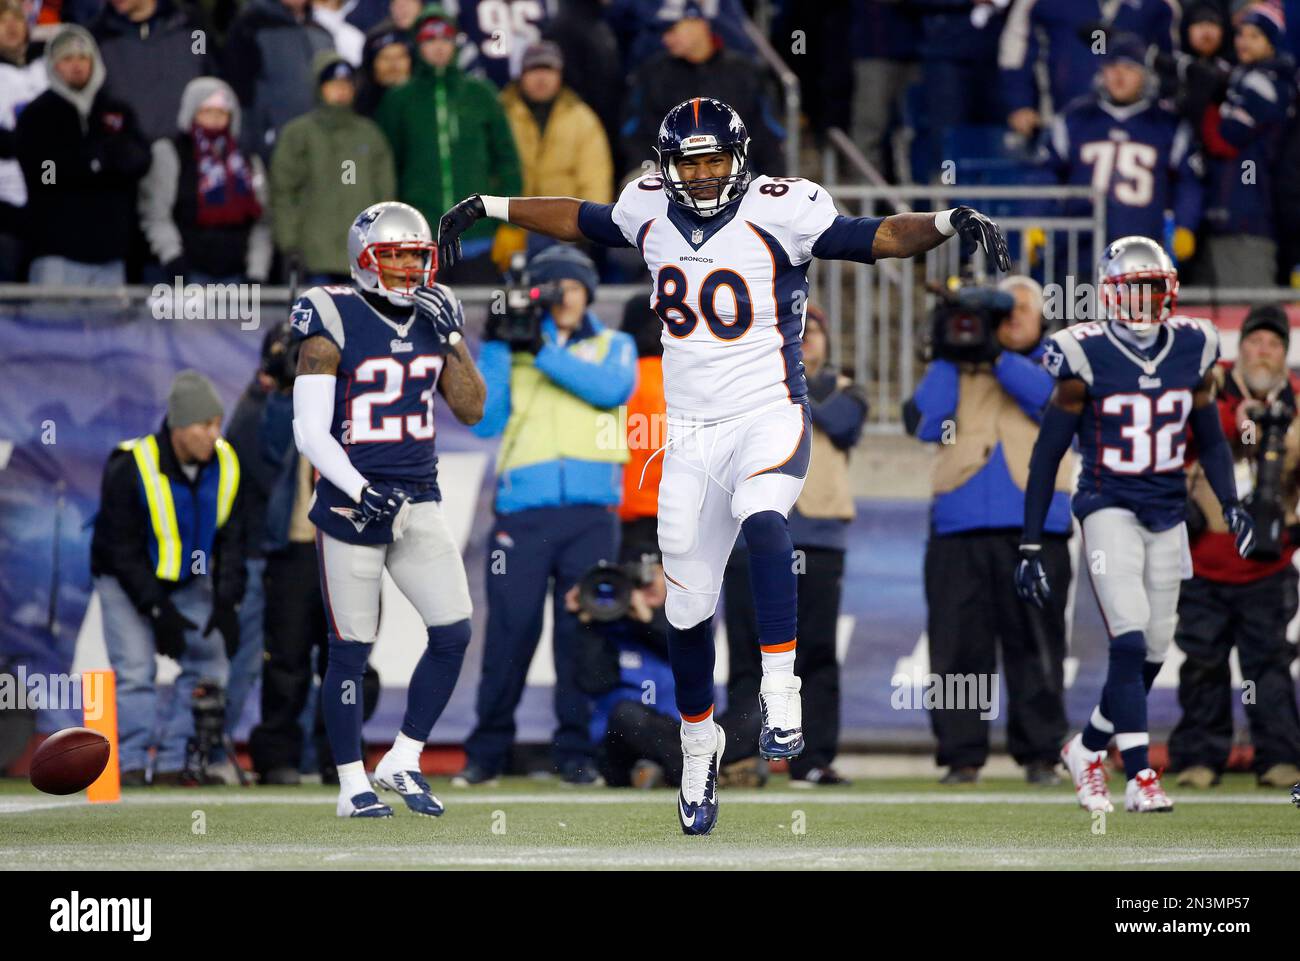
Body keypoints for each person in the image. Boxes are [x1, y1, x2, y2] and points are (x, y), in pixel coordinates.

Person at [437, 95, 1011, 835]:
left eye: (714, 161)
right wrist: (491, 203)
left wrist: (943, 221)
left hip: (767, 412)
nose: (703, 175)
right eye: (690, 162)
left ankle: (782, 688)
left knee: (767, 520)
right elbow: (578, 217)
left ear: (739, 161)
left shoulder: (784, 208)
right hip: (690, 435)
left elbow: (875, 237)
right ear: (668, 166)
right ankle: (700, 742)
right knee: (685, 606)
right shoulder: (647, 205)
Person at [1016, 235, 1255, 815]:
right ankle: (1140, 774)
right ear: (1110, 294)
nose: (1145, 301)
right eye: (1135, 289)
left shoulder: (1194, 346)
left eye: (1155, 289)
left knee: (1150, 650)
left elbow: (1209, 436)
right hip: (1107, 505)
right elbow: (1047, 454)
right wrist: (1030, 540)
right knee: (1127, 636)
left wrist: (1231, 502)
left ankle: (1087, 748)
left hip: (1168, 509)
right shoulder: (1081, 353)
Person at [289, 200, 486, 818]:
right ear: (365, 260)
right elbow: (309, 430)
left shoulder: (435, 315)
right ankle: (351, 784)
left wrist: (453, 337)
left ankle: (402, 756)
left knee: (453, 630)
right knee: (350, 648)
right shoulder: (331, 315)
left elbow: (473, 409)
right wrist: (354, 487)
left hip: (417, 496)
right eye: (394, 255)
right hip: (354, 503)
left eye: (415, 256)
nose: (406, 267)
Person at [456, 245, 637, 787]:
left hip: (591, 513)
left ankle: (575, 755)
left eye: (575, 288)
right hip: (523, 514)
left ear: (588, 294)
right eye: (553, 288)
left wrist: (541, 351)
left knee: (581, 635)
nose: (565, 298)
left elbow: (611, 389)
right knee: (510, 634)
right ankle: (486, 754)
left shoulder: (614, 344)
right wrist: (493, 345)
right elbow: (486, 422)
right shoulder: (511, 350)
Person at [905, 278, 1072, 785]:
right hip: (959, 528)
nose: (1013, 317)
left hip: (1037, 528)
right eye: (1005, 309)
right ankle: (961, 755)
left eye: (1024, 309)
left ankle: (1042, 753)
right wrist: (949, 349)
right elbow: (926, 423)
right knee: (958, 646)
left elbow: (1047, 401)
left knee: (1036, 644)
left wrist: (996, 355)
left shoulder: (1059, 359)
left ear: (1042, 317)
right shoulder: (959, 364)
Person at [724, 306, 866, 786]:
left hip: (818, 537)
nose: (807, 340)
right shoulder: (746, 389)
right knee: (746, 652)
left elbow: (843, 425)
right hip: (751, 536)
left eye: (815, 332)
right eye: (798, 332)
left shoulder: (845, 391)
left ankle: (813, 758)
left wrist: (787, 386)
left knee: (817, 652)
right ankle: (743, 755)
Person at [89, 371, 246, 785]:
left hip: (185, 578)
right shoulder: (130, 465)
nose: (214, 434)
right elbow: (121, 550)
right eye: (204, 425)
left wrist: (228, 600)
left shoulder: (227, 461)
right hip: (125, 580)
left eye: (217, 423)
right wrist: (158, 610)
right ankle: (132, 763)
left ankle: (176, 759)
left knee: (210, 661)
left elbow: (232, 537)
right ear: (178, 427)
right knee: (136, 670)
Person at [1171, 304, 1300, 790]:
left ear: (1284, 355)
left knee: (1268, 665)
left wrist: (1277, 428)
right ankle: (1200, 757)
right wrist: (1236, 419)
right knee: (1201, 662)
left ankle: (1279, 758)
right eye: (1254, 341)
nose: (1262, 351)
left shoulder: (1297, 401)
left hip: (1269, 564)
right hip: (1206, 557)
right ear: (1238, 346)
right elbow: (1180, 440)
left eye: (1272, 344)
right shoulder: (1206, 389)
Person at [374, 4, 521, 282]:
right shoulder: (399, 101)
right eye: (429, 40)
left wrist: (510, 225)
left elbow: (508, 163)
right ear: (417, 45)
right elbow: (386, 169)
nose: (438, 47)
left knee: (480, 317)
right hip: (419, 239)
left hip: (478, 238)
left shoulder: (481, 94)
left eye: (445, 39)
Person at [1036, 34, 1203, 265]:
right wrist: (1037, 218)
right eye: (1112, 67)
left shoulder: (1167, 125)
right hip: (1080, 251)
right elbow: (1045, 173)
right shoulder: (1075, 119)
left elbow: (1189, 182)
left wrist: (1185, 225)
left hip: (1142, 251)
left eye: (1129, 68)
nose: (1119, 76)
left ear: (1145, 75)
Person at [15, 24, 149, 286]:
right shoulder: (38, 114)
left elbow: (139, 160)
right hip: (57, 254)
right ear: (53, 65)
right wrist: (93, 163)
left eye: (83, 58)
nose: (76, 65)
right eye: (67, 58)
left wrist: (98, 161)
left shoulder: (116, 110)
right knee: (54, 328)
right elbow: (44, 174)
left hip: (111, 255)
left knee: (111, 328)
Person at [271, 52, 396, 285]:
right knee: (320, 318)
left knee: (360, 320)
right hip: (313, 255)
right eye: (333, 84)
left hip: (363, 256)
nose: (341, 90)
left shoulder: (370, 134)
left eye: (346, 84)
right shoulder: (299, 134)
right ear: (319, 87)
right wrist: (288, 244)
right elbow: (283, 191)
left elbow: (385, 196)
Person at [621, 4, 785, 178]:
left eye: (672, 30)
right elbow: (635, 135)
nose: (665, 39)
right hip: (670, 179)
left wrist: (771, 182)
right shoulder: (651, 73)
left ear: (699, 24)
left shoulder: (745, 72)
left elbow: (768, 136)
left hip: (737, 177)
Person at [1196, 4, 1295, 289]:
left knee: (1245, 309)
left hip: (1250, 217)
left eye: (1254, 36)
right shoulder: (1243, 75)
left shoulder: (1266, 83)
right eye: (1241, 34)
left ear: (1271, 42)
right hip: (1224, 213)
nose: (1244, 42)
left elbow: (1226, 138)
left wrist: (1208, 108)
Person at [138, 76, 273, 285]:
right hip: (186, 274)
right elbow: (156, 214)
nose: (215, 119)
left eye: (222, 112)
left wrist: (256, 271)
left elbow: (262, 222)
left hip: (237, 276)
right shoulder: (171, 153)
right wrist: (173, 258)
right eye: (207, 111)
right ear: (192, 113)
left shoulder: (247, 161)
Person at [1000, 0, 1181, 139]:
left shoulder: (1160, 5)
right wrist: (1020, 103)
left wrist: (1164, 109)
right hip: (1060, 119)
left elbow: (1171, 61)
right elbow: (1017, 51)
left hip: (1139, 123)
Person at [499, 41, 612, 257]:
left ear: (560, 74)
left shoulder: (582, 119)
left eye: (548, 70)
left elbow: (595, 181)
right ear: (521, 74)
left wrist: (587, 229)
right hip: (512, 230)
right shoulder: (501, 114)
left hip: (565, 232)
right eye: (534, 70)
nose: (541, 78)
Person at [222, 0, 334, 162]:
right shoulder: (249, 27)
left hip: (322, 149)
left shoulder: (321, 32)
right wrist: (249, 148)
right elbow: (239, 95)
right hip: (272, 149)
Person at [89, 0, 212, 144]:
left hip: (191, 151)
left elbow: (211, 79)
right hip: (129, 157)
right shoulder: (96, 37)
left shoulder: (191, 26)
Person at [0, 0, 46, 281]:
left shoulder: (46, 70)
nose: (12, 26)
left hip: (45, 199)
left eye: (17, 20)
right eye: (3, 21)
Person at [355, 29, 413, 117]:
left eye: (400, 57)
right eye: (385, 58)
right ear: (372, 65)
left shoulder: (424, 100)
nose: (394, 65)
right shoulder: (360, 105)